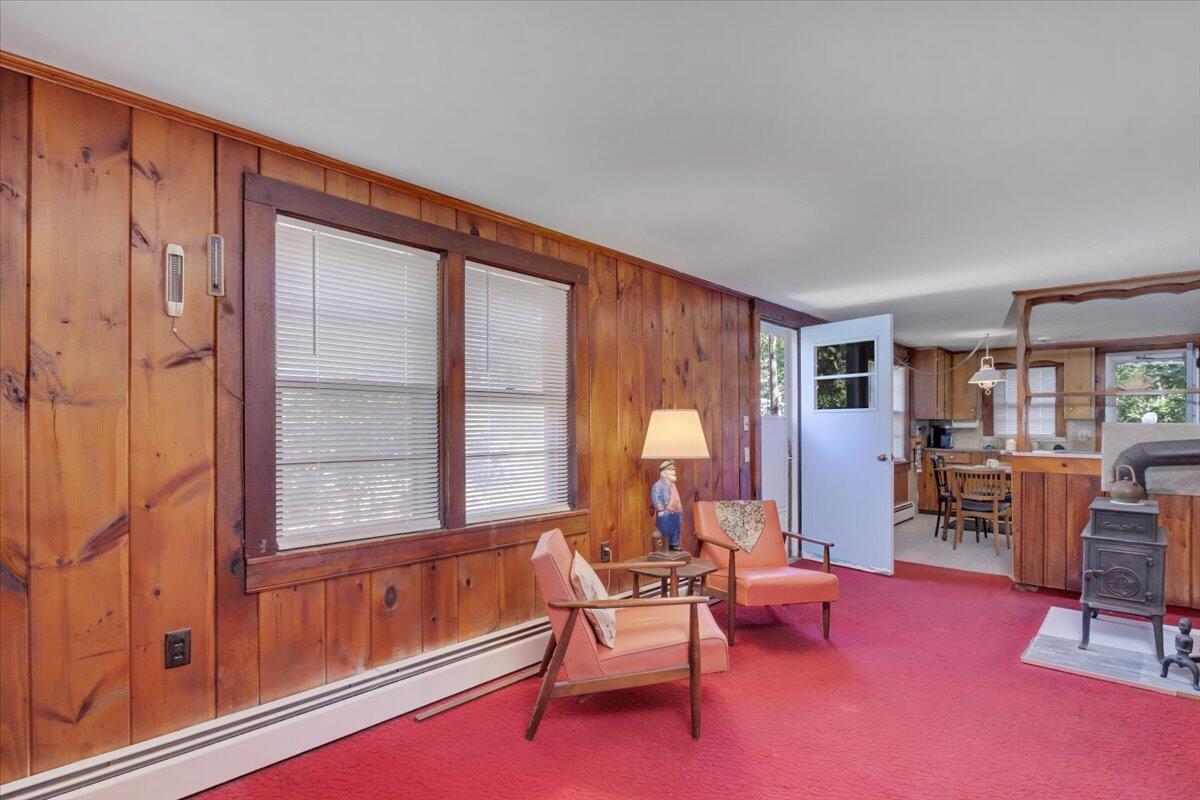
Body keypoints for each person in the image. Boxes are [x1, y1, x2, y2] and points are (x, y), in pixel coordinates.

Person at [650, 460, 684, 551]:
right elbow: (656, 498)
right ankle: (664, 548)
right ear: (663, 474)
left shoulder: (672, 485)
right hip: (667, 512)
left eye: (674, 471)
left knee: (676, 529)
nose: (673, 473)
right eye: (670, 472)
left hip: (677, 511)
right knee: (665, 530)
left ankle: (674, 545)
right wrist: (660, 510)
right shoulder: (658, 485)